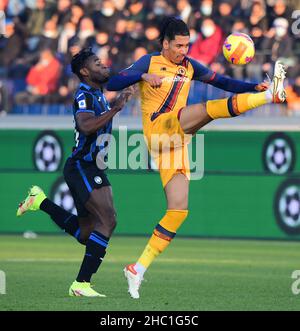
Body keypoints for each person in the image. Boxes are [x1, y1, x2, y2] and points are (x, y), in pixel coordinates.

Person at [107, 17, 286, 299]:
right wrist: (141, 77)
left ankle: (137, 269)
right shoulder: (148, 62)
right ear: (164, 43)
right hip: (159, 131)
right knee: (205, 110)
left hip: (176, 141)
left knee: (178, 211)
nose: (183, 50)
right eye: (178, 45)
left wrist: (254, 87)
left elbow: (223, 81)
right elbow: (114, 80)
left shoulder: (190, 66)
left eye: (187, 45)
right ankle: (271, 98)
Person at [16, 48, 135, 297]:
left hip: (94, 166)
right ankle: (81, 284)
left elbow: (117, 81)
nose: (103, 65)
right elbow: (86, 125)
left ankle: (41, 202)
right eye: (97, 63)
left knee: (87, 233)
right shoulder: (85, 94)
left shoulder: (98, 92)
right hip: (83, 165)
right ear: (85, 71)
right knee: (108, 220)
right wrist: (115, 108)